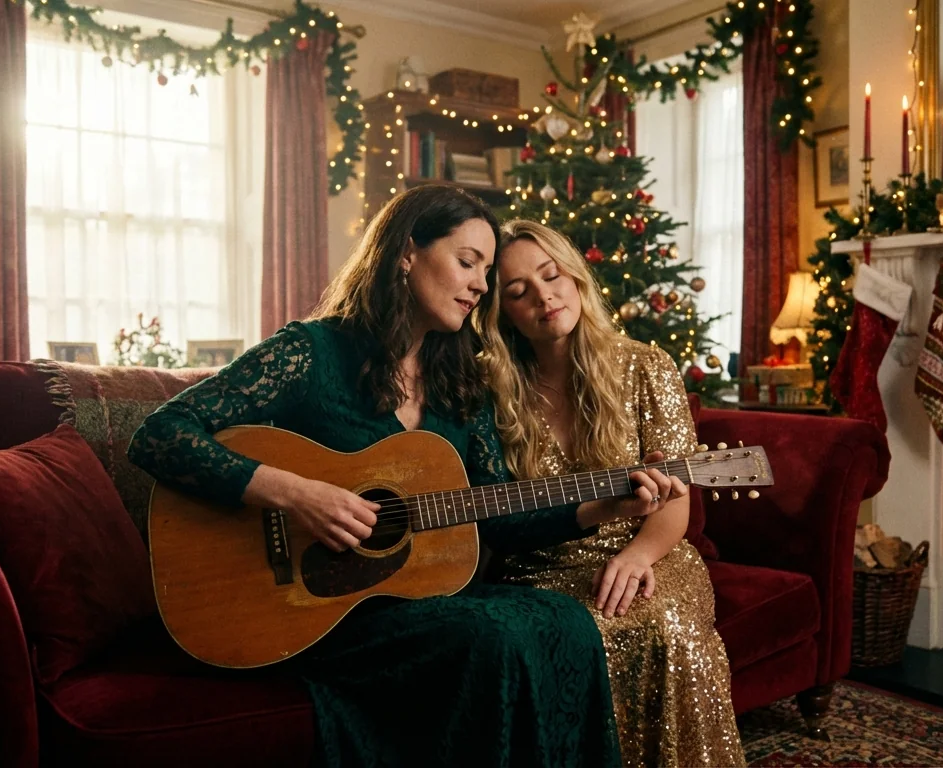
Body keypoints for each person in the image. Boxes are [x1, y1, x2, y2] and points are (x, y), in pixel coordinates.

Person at [127, 185, 679, 768]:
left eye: (488, 272)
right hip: (309, 611)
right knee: (493, 637)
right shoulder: (311, 352)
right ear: (406, 252)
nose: (481, 286)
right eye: (468, 262)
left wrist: (603, 506)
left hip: (415, 604)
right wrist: (295, 493)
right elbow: (162, 433)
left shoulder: (461, 381)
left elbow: (503, 514)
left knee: (564, 618)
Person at [479, 219, 746, 768]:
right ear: (502, 313)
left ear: (576, 279)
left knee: (665, 625)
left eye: (552, 276)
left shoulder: (647, 367)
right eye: (518, 291)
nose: (544, 295)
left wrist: (637, 555)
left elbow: (677, 501)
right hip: (539, 567)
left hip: (651, 550)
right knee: (565, 637)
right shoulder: (493, 390)